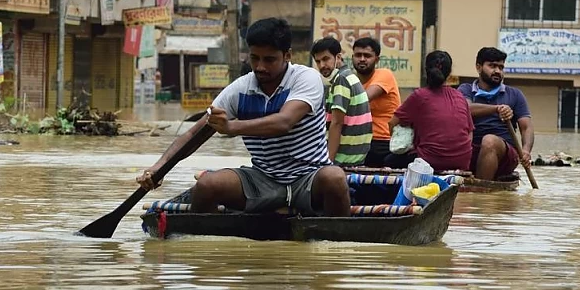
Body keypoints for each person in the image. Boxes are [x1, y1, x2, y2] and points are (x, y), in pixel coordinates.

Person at [137, 18, 350, 216]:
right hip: (263, 178)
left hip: (309, 177)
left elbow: (283, 122)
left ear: (287, 56)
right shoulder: (240, 89)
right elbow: (195, 132)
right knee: (207, 185)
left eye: (269, 60)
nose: (260, 67)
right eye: (255, 58)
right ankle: (201, 241)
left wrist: (231, 127)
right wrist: (161, 165)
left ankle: (337, 239)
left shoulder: (306, 78)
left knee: (335, 177)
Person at [385, 50, 473, 171]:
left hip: (428, 160)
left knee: (388, 160)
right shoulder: (460, 96)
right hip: (462, 161)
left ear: (425, 70)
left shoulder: (420, 95)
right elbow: (469, 133)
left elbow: (392, 123)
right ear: (449, 72)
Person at [457, 47, 534, 181]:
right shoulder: (466, 90)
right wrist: (496, 109)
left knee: (489, 141)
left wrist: (526, 150)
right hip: (470, 152)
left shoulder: (515, 94)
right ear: (478, 67)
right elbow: (466, 109)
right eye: (492, 66)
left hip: (505, 155)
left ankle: (483, 190)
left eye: (501, 67)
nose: (497, 71)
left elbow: (526, 127)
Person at [311, 36, 372, 167]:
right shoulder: (349, 76)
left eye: (326, 59)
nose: (322, 65)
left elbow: (337, 123)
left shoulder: (341, 80)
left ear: (338, 57)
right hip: (355, 157)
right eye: (318, 61)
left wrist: (328, 164)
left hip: (344, 159)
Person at [352, 37, 401, 167]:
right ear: (352, 57)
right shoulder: (352, 81)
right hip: (360, 141)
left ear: (377, 59)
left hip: (384, 142)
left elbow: (363, 98)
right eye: (358, 55)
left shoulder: (384, 74)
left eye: (367, 55)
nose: (362, 59)